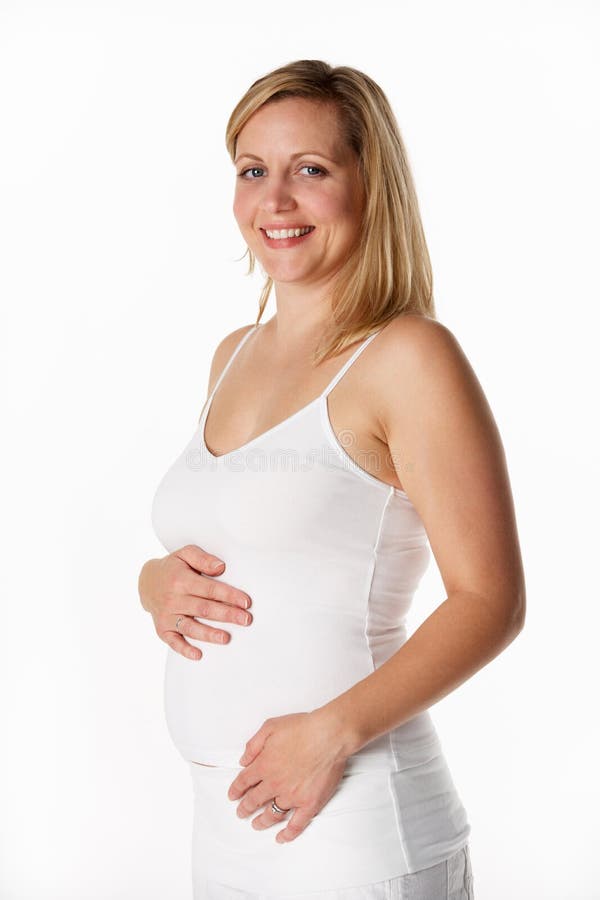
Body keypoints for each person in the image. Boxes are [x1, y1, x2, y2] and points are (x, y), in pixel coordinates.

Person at [139, 59, 526, 899]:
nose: (274, 201)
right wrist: (152, 581)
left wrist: (331, 732)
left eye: (310, 170)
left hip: (353, 828)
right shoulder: (230, 355)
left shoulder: (410, 357)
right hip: (222, 825)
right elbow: (242, 542)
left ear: (368, 185)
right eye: (253, 170)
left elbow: (490, 600)